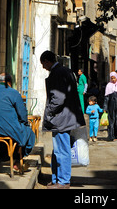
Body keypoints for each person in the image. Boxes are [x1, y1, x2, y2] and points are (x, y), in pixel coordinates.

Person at [40, 50, 85, 189]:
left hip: (61, 119)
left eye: (43, 64)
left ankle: (63, 181)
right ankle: (57, 179)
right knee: (58, 150)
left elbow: (58, 98)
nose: (43, 67)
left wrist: (49, 114)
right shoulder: (65, 71)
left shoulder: (57, 73)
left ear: (48, 61)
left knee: (62, 150)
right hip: (65, 117)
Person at [0, 73, 35, 170]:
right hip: (9, 130)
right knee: (30, 134)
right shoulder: (14, 93)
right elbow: (22, 114)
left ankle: (5, 157)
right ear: (9, 83)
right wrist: (24, 124)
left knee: (14, 135)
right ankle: (17, 160)